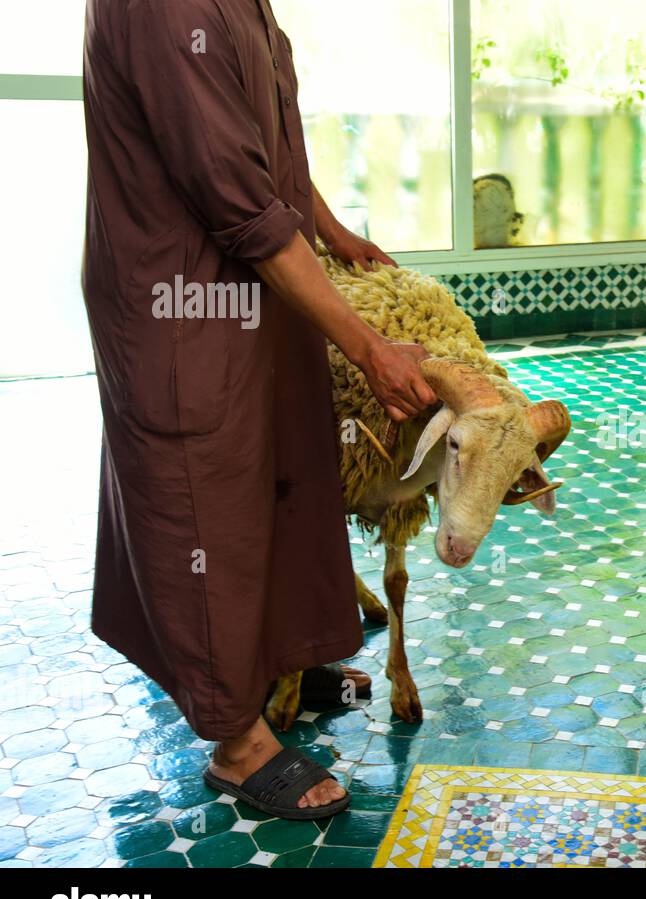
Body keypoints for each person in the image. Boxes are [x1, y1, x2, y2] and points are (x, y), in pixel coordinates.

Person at [82, 0, 436, 818]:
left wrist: (333, 230)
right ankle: (237, 738)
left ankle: (278, 659)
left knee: (278, 471)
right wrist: (368, 345)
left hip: (253, 287)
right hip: (184, 299)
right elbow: (232, 187)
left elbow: (261, 140)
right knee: (205, 498)